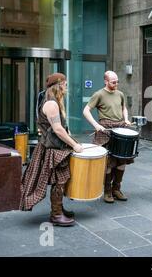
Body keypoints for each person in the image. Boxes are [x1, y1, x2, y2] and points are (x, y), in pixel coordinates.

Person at [20, 73, 83, 227]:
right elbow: (57, 129)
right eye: (66, 84)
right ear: (59, 84)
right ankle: (56, 215)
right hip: (53, 149)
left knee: (60, 179)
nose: (67, 88)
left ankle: (59, 209)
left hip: (54, 146)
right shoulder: (51, 104)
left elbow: (61, 129)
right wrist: (74, 145)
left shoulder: (53, 101)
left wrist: (71, 138)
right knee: (60, 179)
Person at [83, 71, 132, 203]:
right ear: (106, 81)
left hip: (121, 128)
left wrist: (126, 119)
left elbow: (124, 108)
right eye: (113, 82)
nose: (116, 84)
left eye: (117, 81)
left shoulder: (120, 94)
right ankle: (108, 191)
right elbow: (85, 111)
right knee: (109, 162)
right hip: (105, 129)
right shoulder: (98, 94)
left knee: (122, 161)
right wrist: (95, 125)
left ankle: (117, 189)